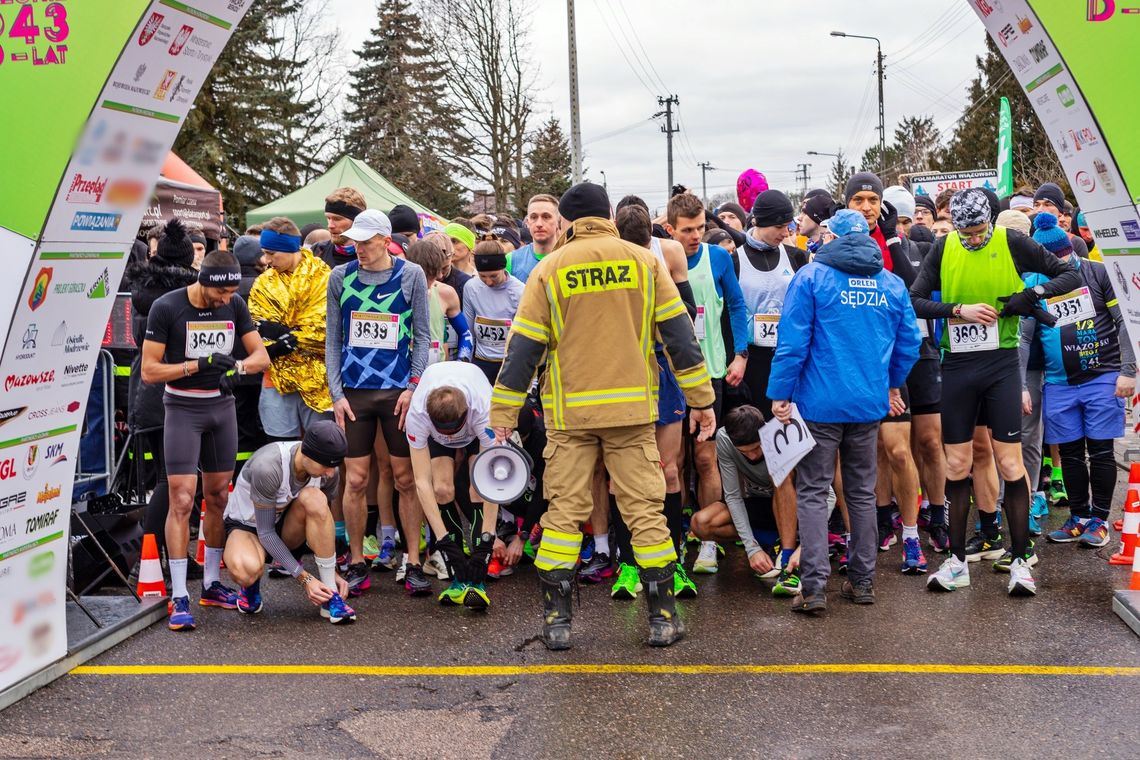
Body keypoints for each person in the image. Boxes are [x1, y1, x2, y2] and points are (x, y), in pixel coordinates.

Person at [489, 182, 716, 650]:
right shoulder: (645, 261)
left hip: (569, 417)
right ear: (608, 215)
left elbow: (522, 351)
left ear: (568, 222)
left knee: (564, 514)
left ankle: (557, 623)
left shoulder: (548, 269)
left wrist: (504, 412)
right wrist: (701, 399)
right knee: (646, 514)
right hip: (632, 414)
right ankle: (662, 618)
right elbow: (680, 338)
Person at [911, 188, 1080, 596]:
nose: (970, 238)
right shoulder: (942, 247)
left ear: (989, 221)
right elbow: (913, 299)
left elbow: (1069, 274)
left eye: (976, 231)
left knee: (1009, 463)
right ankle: (955, 562)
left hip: (1001, 364)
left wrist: (1030, 295)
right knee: (957, 464)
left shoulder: (1011, 241)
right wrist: (957, 310)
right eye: (963, 231)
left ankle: (1021, 561)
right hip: (958, 366)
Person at [768, 210, 921, 614]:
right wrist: (890, 383)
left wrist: (780, 392)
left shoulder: (812, 278)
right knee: (861, 491)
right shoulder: (890, 284)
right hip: (867, 402)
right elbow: (910, 343)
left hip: (819, 402)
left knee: (815, 492)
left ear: (832, 236)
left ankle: (814, 588)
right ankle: (863, 580)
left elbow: (793, 342)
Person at [141, 250, 271, 630]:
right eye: (224, 291)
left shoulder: (235, 305)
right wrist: (196, 365)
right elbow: (149, 370)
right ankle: (179, 593)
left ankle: (211, 585)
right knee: (182, 499)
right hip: (182, 409)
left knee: (218, 497)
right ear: (206, 284)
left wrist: (239, 368)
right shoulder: (168, 307)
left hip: (221, 409)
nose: (229, 297)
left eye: (233, 291)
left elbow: (260, 355)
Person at [325, 209, 432, 596]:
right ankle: (355, 561)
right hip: (355, 393)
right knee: (354, 480)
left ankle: (414, 561)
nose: (358, 250)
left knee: (405, 479)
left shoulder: (410, 275)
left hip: (397, 393)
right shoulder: (341, 277)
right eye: (354, 242)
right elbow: (333, 340)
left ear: (385, 240)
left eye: (366, 243)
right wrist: (335, 393)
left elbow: (422, 336)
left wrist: (413, 386)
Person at [1023, 213, 1136, 549]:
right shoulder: (1034, 283)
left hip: (1102, 376)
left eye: (1064, 255)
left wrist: (1128, 371)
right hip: (1059, 382)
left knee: (1100, 451)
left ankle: (1099, 520)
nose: (1062, 262)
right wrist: (1020, 385)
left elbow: (1124, 322)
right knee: (1070, 454)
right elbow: (1025, 338)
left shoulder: (1096, 272)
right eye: (1053, 259)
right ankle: (1078, 516)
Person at [612, 198, 701, 598]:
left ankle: (673, 562)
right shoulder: (606, 258)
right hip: (620, 372)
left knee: (669, 469)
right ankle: (628, 565)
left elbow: (685, 313)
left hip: (662, 367)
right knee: (622, 476)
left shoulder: (669, 251)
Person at [221, 422, 355, 624]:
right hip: (248, 526)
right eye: (326, 465)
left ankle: (330, 596)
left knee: (315, 499)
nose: (330, 472)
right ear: (307, 454)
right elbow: (265, 533)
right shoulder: (269, 466)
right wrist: (306, 579)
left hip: (286, 528)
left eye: (334, 465)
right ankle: (249, 588)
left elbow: (321, 522)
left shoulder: (329, 473)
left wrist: (331, 572)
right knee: (247, 570)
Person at [665, 191, 749, 513]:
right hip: (671, 373)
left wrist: (740, 354)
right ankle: (679, 531)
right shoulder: (657, 257)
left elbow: (737, 305)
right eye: (687, 230)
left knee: (704, 457)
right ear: (670, 230)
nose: (696, 235)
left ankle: (709, 538)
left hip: (709, 371)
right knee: (674, 461)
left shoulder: (717, 257)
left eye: (700, 227)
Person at [128, 219, 199, 568]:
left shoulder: (142, 289)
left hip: (148, 393)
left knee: (170, 479)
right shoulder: (183, 296)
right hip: (172, 395)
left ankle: (163, 555)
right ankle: (154, 557)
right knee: (173, 481)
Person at [405, 361, 502, 609]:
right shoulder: (417, 413)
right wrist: (444, 541)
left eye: (452, 431)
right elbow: (421, 483)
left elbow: (493, 481)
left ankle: (477, 577)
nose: (449, 436)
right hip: (439, 424)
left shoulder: (483, 409)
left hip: (474, 430)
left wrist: (487, 541)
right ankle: (458, 574)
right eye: (444, 432)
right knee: (442, 488)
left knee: (476, 489)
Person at [688, 405, 801, 586]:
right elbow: (732, 496)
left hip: (795, 510)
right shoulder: (725, 438)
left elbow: (827, 497)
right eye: (744, 452)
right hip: (759, 505)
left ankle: (787, 552)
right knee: (700, 523)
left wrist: (807, 545)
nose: (752, 455)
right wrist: (752, 549)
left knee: (779, 474)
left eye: (756, 448)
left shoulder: (778, 432)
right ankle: (770, 544)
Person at [247, 217, 334, 443]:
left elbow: (326, 329)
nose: (266, 260)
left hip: (318, 381)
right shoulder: (264, 283)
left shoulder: (323, 278)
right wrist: (279, 341)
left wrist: (281, 333)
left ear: (290, 249)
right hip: (275, 380)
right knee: (280, 449)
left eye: (271, 254)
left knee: (320, 450)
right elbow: (256, 327)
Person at [463, 242, 525, 384]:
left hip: (509, 364)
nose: (489, 282)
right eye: (482, 276)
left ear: (503, 267)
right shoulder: (471, 287)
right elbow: (468, 331)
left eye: (494, 276)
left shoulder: (520, 291)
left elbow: (524, 338)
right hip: (480, 362)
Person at [405, 240, 473, 366]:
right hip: (403, 374)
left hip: (435, 372)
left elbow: (465, 334)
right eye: (432, 274)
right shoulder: (396, 293)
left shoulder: (446, 293)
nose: (440, 276)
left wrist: (461, 362)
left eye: (441, 270)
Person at [509, 194, 561, 283]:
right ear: (528, 222)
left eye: (546, 217)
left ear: (558, 221)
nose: (539, 224)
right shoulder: (511, 260)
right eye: (534, 217)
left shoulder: (571, 258)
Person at [312, 187, 367, 270]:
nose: (330, 225)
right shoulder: (317, 251)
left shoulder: (372, 256)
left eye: (337, 219)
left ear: (357, 220)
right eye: (328, 218)